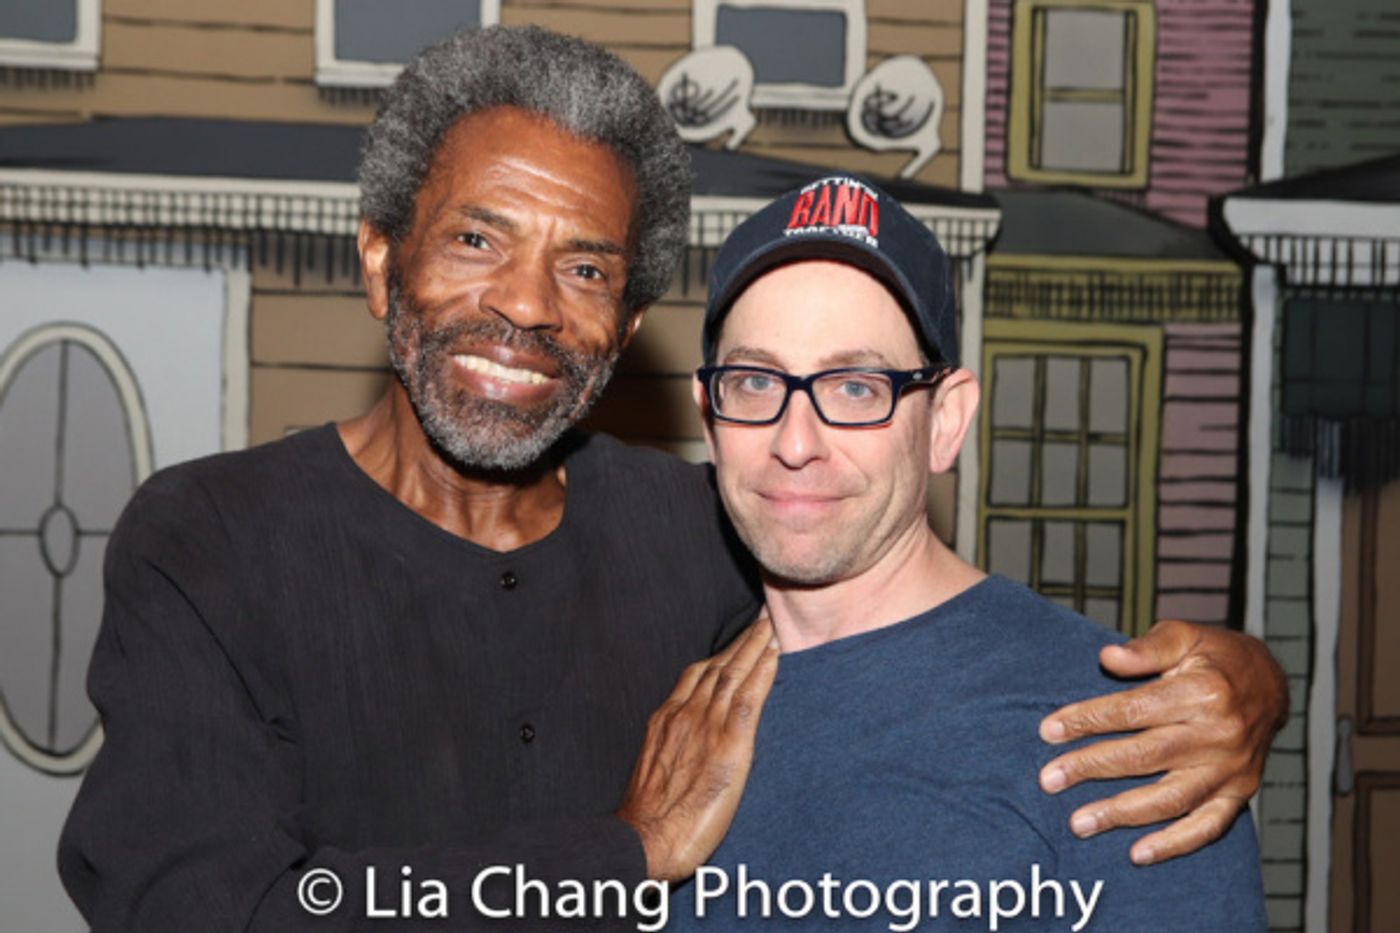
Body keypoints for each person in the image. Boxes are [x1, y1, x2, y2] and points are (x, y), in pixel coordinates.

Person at [57, 25, 1282, 932]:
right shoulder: (211, 540)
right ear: (381, 264)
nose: (527, 307)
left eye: (584, 270)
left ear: (626, 319)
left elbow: (896, 599)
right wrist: (622, 854)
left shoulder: (700, 534)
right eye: (478, 238)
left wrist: (1241, 682)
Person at [666, 175, 1268, 930]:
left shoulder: (1129, 740)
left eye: (857, 386)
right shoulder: (660, 675)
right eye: (755, 382)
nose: (795, 442)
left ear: (946, 420)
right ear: (708, 414)